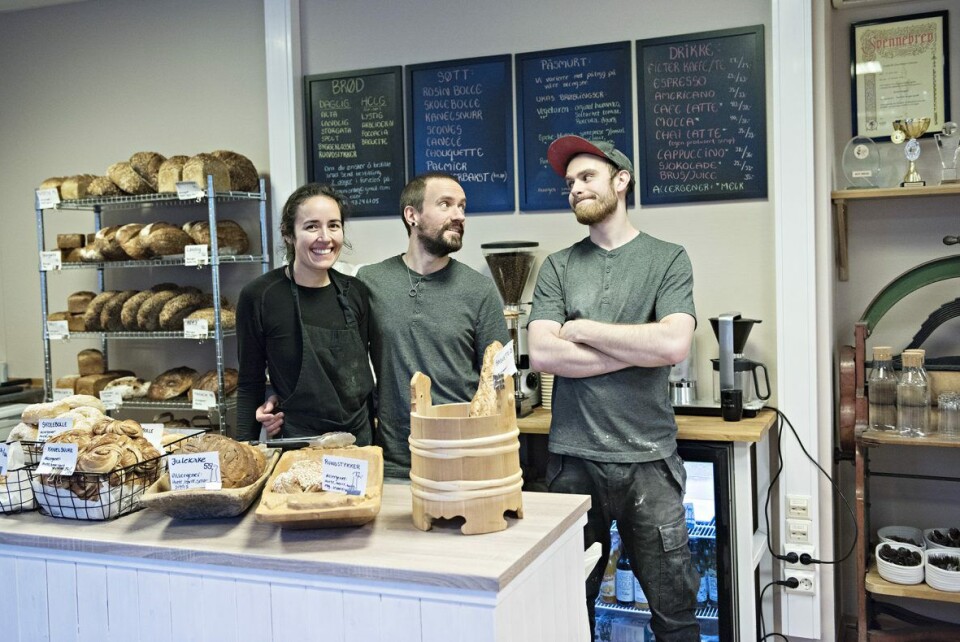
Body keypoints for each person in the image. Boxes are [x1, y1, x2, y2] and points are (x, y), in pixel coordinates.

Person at [527, 136, 700, 641]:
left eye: (586, 178)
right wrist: (632, 349)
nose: (575, 190)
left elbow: (672, 345)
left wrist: (582, 329)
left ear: (620, 181)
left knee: (675, 609)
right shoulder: (559, 266)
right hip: (572, 459)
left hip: (649, 460)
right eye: (569, 184)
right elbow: (542, 354)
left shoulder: (667, 259)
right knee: (567, 602)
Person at [358, 172, 509, 479]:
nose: (459, 216)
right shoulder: (371, 281)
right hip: (394, 461)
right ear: (412, 215)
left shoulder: (479, 289)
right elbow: (347, 360)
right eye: (446, 205)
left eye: (463, 207)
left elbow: (500, 378)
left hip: (464, 457)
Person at [235, 183, 374, 444]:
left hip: (357, 443)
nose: (325, 237)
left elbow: (365, 379)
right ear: (288, 234)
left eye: (333, 225)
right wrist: (247, 446)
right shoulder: (260, 296)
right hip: (297, 444)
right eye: (311, 226)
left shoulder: (356, 292)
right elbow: (249, 383)